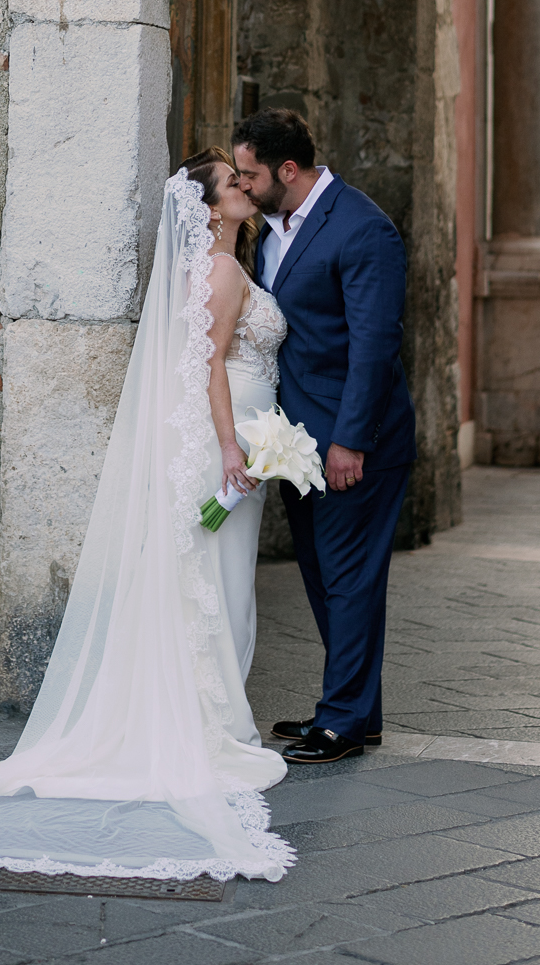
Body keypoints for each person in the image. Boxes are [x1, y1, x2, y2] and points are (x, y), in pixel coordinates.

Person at [0, 152, 296, 883]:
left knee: (207, 577)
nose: (246, 189)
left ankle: (204, 716)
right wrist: (234, 445)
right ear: (209, 209)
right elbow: (208, 365)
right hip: (224, 443)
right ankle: (207, 728)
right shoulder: (220, 272)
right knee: (216, 580)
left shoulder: (215, 267)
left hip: (226, 438)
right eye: (234, 185)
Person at [233, 107, 415, 767]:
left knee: (348, 578)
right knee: (327, 577)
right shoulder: (271, 231)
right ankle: (357, 710)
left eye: (251, 173)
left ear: (288, 169)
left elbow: (374, 344)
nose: (243, 185)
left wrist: (351, 442)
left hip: (352, 443)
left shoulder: (363, 229)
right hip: (298, 443)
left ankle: (340, 720)